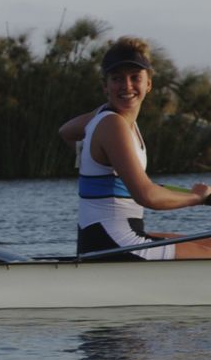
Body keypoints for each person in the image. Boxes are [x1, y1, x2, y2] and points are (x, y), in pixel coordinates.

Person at [59, 36, 211, 260]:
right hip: (113, 245)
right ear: (106, 86)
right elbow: (147, 196)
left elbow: (66, 131)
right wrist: (197, 198)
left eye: (134, 77)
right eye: (117, 78)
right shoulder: (113, 124)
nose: (126, 86)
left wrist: (99, 165)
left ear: (148, 83)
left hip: (108, 239)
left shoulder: (102, 117)